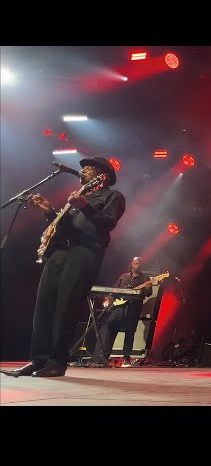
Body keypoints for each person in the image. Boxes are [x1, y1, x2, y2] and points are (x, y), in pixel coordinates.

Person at [5, 157, 126, 378]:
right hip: (59, 252)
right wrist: (49, 211)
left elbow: (108, 222)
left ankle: (56, 362)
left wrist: (86, 207)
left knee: (65, 307)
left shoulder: (113, 196)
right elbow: (65, 227)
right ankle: (38, 359)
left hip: (84, 252)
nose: (83, 171)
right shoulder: (79, 196)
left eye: (88, 168)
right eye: (83, 168)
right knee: (44, 306)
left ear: (103, 175)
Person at [92, 257, 153, 368]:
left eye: (140, 264)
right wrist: (108, 297)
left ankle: (126, 359)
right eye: (136, 263)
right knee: (112, 329)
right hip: (118, 308)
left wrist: (148, 287)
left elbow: (148, 294)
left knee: (129, 333)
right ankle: (105, 357)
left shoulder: (145, 278)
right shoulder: (124, 276)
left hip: (134, 307)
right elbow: (115, 290)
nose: (138, 265)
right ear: (132, 264)